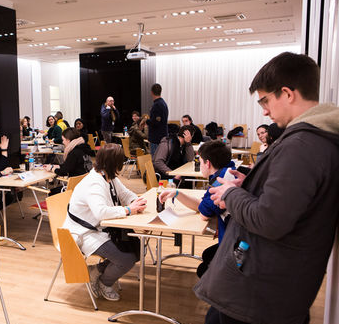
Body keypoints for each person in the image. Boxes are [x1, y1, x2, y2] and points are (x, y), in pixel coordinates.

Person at [195, 52, 339, 324]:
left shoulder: (303, 145)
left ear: (287, 93)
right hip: (257, 270)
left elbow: (269, 220)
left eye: (265, 101)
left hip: (256, 275)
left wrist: (232, 194)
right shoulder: (310, 140)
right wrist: (251, 184)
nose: (264, 111)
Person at [63, 144, 148, 301]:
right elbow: (101, 212)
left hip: (102, 227)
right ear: (113, 164)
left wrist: (137, 201)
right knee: (127, 259)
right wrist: (129, 210)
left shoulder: (107, 175)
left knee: (138, 250)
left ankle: (96, 270)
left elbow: (125, 194)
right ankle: (104, 283)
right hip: (85, 232)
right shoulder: (95, 182)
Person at [158, 140, 235, 278]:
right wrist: (177, 193)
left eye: (200, 161)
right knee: (207, 255)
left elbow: (204, 213)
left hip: (235, 245)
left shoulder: (220, 182)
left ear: (208, 163)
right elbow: (202, 204)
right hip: (234, 239)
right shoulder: (226, 172)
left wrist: (202, 206)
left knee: (203, 270)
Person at [44, 128, 93, 194]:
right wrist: (56, 166)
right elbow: (70, 165)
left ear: (68, 140)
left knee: (51, 192)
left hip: (75, 189)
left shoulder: (74, 153)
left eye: (63, 140)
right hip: (86, 185)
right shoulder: (84, 149)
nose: (62, 142)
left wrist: (52, 168)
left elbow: (63, 172)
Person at [146, 83, 169, 155]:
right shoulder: (163, 103)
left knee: (155, 160)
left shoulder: (157, 105)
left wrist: (146, 120)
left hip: (156, 138)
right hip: (162, 136)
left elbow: (155, 122)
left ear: (151, 92)